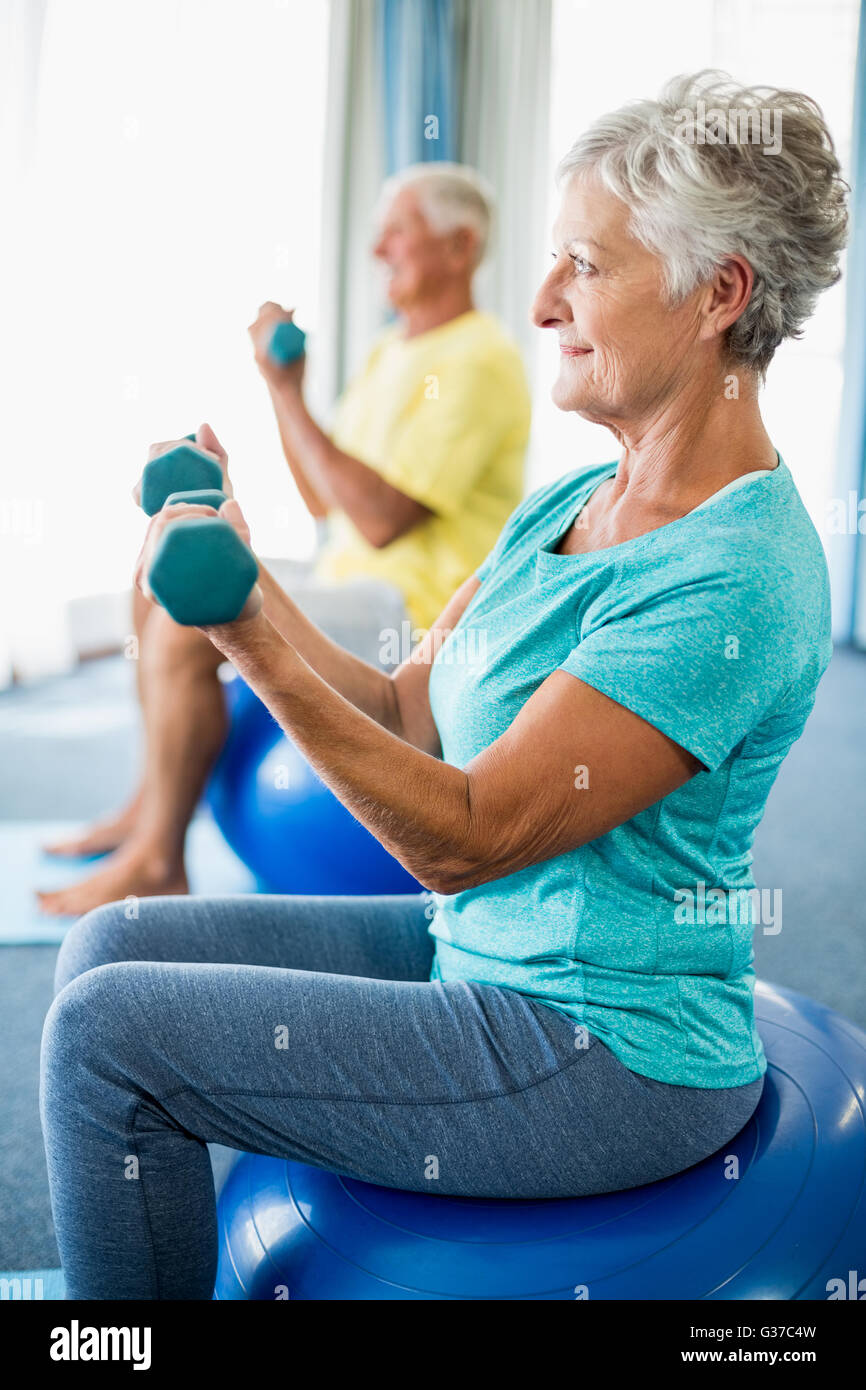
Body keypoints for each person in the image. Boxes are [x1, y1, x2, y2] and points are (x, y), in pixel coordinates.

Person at [42, 72, 847, 1299]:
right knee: (110, 948)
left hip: (603, 1054)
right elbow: (404, 714)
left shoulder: (734, 577)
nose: (538, 304)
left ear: (717, 294)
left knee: (108, 1040)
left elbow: (465, 840)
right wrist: (252, 579)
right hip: (482, 957)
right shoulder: (568, 505)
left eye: (581, 265)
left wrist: (249, 635)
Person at [37, 163, 530, 915]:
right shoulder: (389, 353)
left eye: (398, 234)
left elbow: (380, 519)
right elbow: (324, 500)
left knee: (181, 628)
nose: (379, 253)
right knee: (158, 573)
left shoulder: (480, 358)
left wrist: (289, 394)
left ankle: (161, 861)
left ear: (461, 247)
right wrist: (278, 390)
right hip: (351, 576)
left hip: (416, 611)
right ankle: (146, 813)